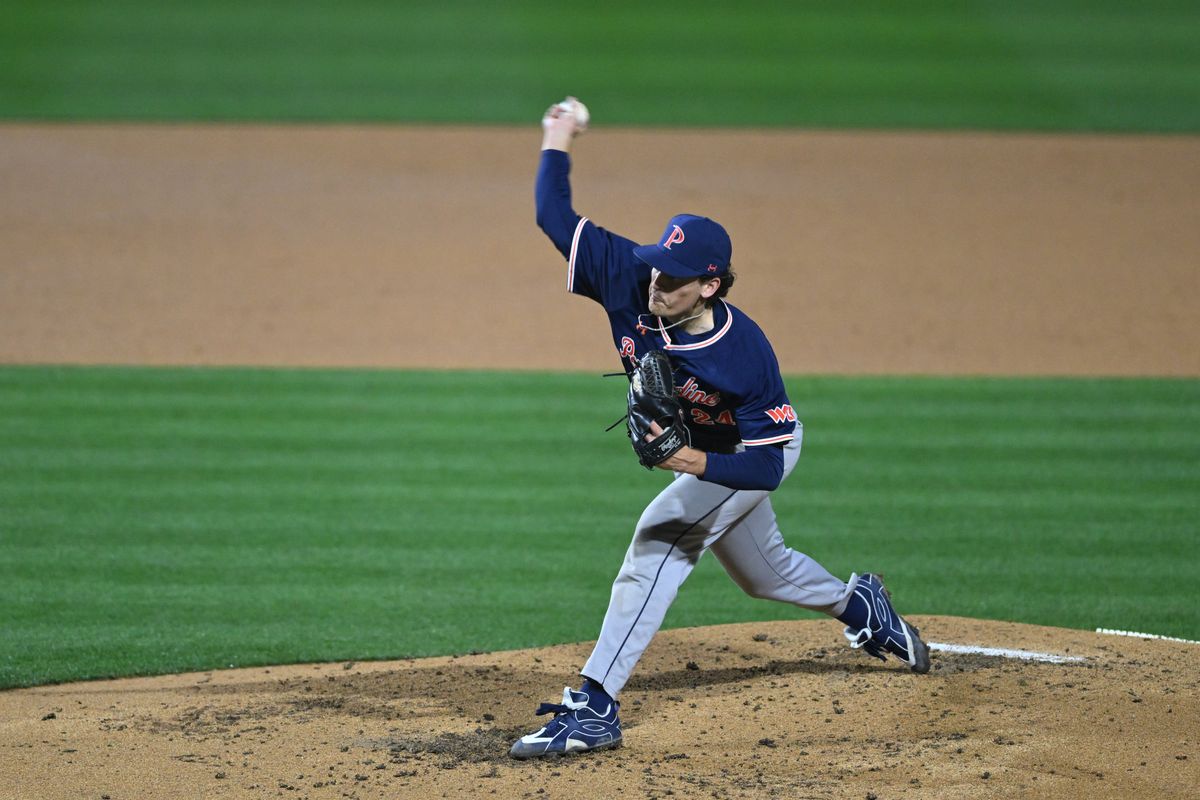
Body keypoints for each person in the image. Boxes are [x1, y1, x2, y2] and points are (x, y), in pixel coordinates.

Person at [509, 99, 930, 760]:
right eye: (656, 267)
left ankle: (595, 706)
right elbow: (551, 216)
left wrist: (690, 465)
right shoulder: (632, 275)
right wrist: (557, 134)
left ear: (709, 285)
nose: (656, 285)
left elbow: (765, 467)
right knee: (765, 574)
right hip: (707, 455)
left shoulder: (744, 355)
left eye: (673, 279)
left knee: (657, 543)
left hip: (751, 452)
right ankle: (862, 608)